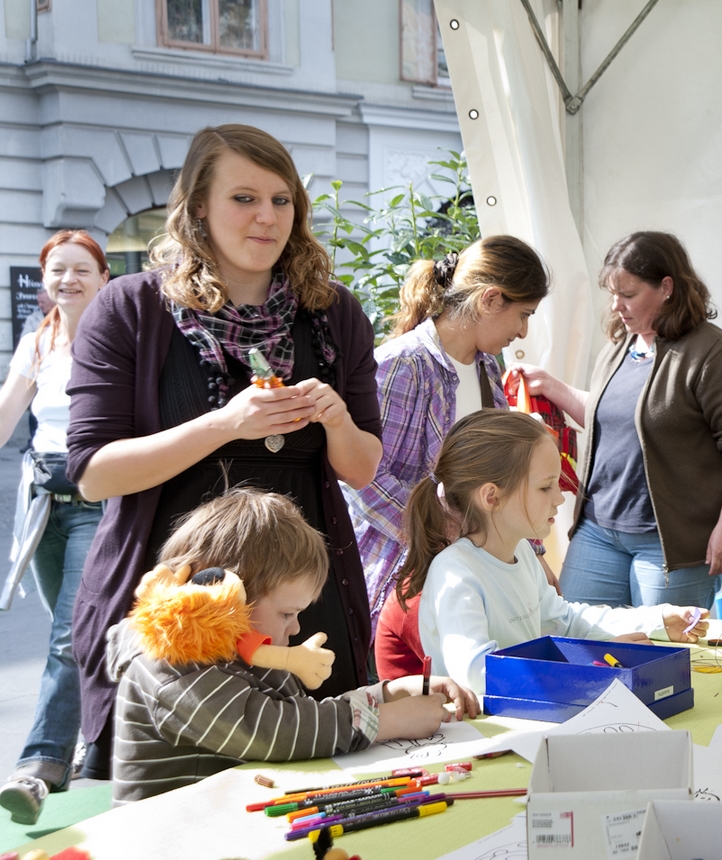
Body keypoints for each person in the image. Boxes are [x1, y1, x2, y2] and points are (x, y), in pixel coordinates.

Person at [66, 124, 383, 780]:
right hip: (178, 608)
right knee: (178, 801)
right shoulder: (130, 309)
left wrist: (337, 421)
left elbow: (362, 467)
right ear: (199, 207)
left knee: (316, 792)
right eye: (244, 198)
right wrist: (224, 425)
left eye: (282, 200)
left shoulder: (334, 315)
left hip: (304, 607)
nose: (267, 216)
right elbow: (94, 475)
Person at [108, 488, 476, 804]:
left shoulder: (246, 650)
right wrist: (386, 721)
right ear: (219, 591)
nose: (296, 626)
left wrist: (387, 694)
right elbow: (271, 730)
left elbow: (299, 714)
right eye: (286, 613)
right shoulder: (170, 663)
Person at [518, 232, 722, 609]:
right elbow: (613, 422)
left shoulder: (712, 353)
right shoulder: (620, 346)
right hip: (599, 530)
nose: (616, 306)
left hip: (671, 543)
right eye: (612, 295)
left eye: (628, 295)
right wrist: (552, 388)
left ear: (667, 287)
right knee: (578, 642)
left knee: (662, 652)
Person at [401, 410, 709, 695]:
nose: (560, 498)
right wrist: (586, 667)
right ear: (491, 496)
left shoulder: (521, 552)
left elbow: (565, 621)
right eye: (546, 486)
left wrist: (655, 620)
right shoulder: (455, 574)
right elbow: (476, 672)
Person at [347, 236, 554, 639]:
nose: (524, 331)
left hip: (469, 575)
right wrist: (441, 533)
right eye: (523, 314)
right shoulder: (405, 364)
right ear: (491, 299)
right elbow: (362, 478)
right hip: (406, 583)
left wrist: (533, 556)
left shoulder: (486, 369)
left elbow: (504, 479)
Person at [0, 231, 109, 824]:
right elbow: (6, 414)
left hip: (97, 501)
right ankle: (99, 737)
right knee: (73, 628)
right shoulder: (36, 342)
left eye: (80, 270)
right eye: (56, 271)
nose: (67, 280)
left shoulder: (115, 338)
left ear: (102, 279)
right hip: (45, 501)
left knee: (70, 633)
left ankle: (39, 765)